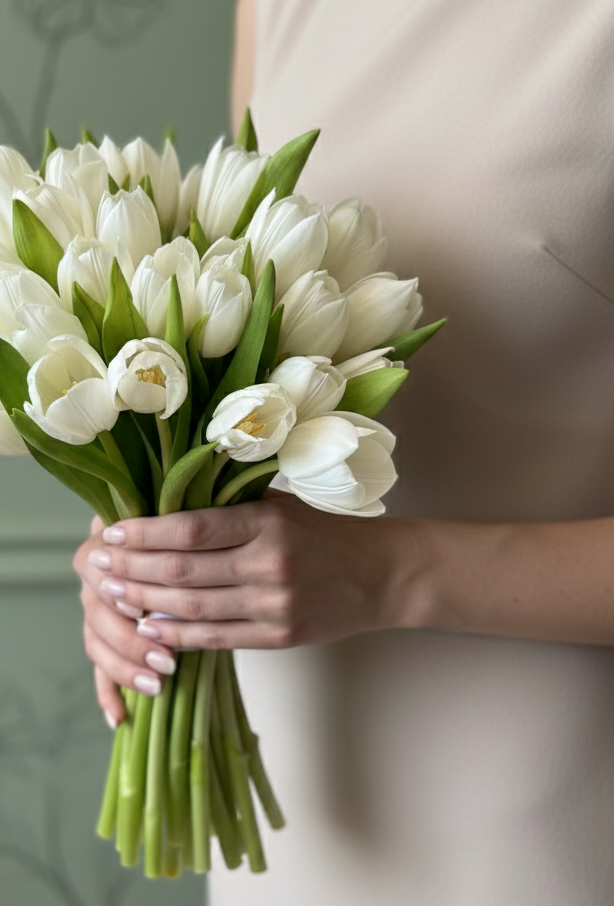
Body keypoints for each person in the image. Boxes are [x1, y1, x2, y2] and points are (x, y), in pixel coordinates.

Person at [75, 0, 614, 902]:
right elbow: (255, 330)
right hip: (298, 774)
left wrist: (388, 573)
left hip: (548, 811)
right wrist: (149, 542)